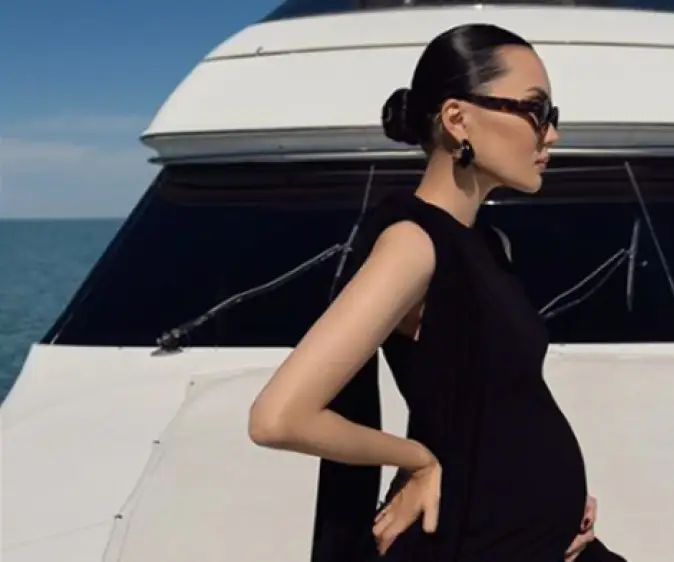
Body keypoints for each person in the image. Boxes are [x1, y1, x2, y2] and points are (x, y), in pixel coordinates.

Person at [248, 22, 627, 562]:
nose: (551, 135)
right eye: (536, 110)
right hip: (473, 544)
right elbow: (278, 417)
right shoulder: (413, 244)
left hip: (546, 541)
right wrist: (417, 460)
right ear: (457, 118)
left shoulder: (489, 243)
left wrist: (559, 498)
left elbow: (497, 403)